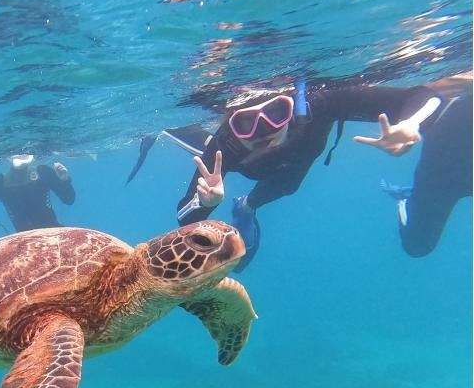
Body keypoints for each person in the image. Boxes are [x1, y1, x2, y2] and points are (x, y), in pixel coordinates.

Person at [130, 81, 447, 271]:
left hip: (291, 171)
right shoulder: (226, 142)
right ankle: (168, 130)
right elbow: (184, 218)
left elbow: (427, 95)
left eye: (276, 113)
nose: (262, 131)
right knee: (208, 158)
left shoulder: (319, 103)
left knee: (288, 186)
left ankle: (247, 207)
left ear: (293, 108)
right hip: (238, 162)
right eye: (245, 123)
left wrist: (413, 123)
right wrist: (206, 200)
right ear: (231, 120)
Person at [359, 73, 472, 257]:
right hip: (443, 168)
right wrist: (412, 121)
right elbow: (437, 91)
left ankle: (415, 193)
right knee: (418, 245)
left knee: (418, 245)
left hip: (457, 175)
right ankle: (410, 198)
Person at [0, 155, 75, 232]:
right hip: (25, 241)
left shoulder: (44, 172)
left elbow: (69, 199)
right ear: (8, 158)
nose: (21, 155)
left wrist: (65, 180)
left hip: (53, 232)